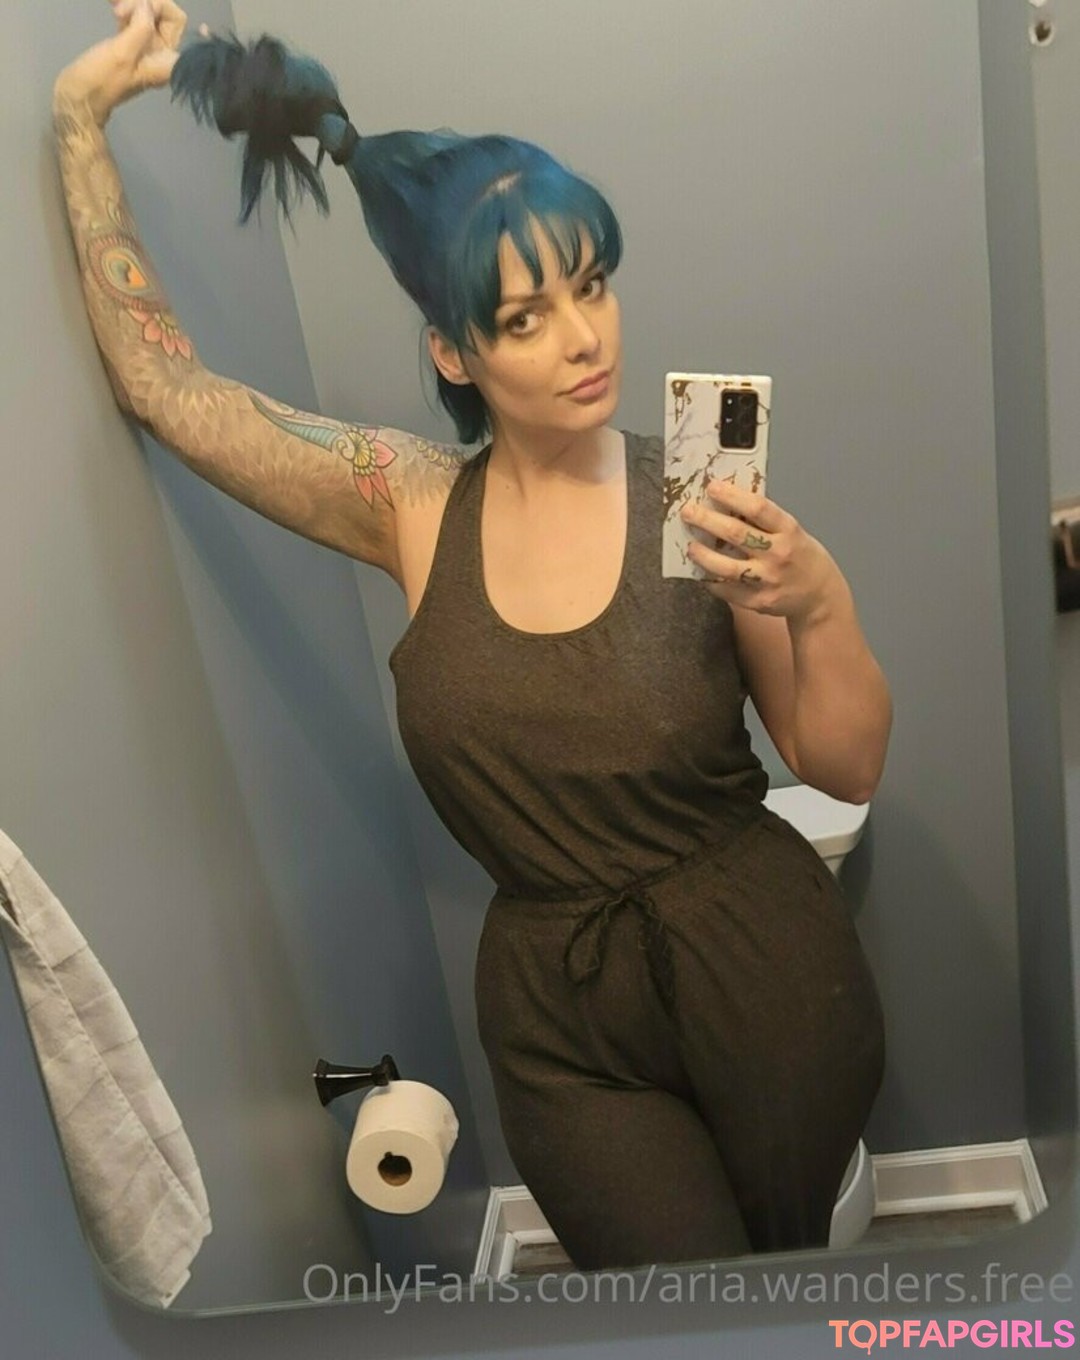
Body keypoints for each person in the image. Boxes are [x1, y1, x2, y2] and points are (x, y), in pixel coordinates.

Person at [54, 0, 892, 1271]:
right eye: (523, 316)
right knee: (670, 1306)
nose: (583, 337)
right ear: (453, 351)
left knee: (777, 1282)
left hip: (769, 973)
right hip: (561, 1021)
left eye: (591, 285)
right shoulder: (409, 503)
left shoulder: (701, 487)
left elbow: (842, 764)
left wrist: (818, 598)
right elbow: (165, 388)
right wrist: (78, 121)